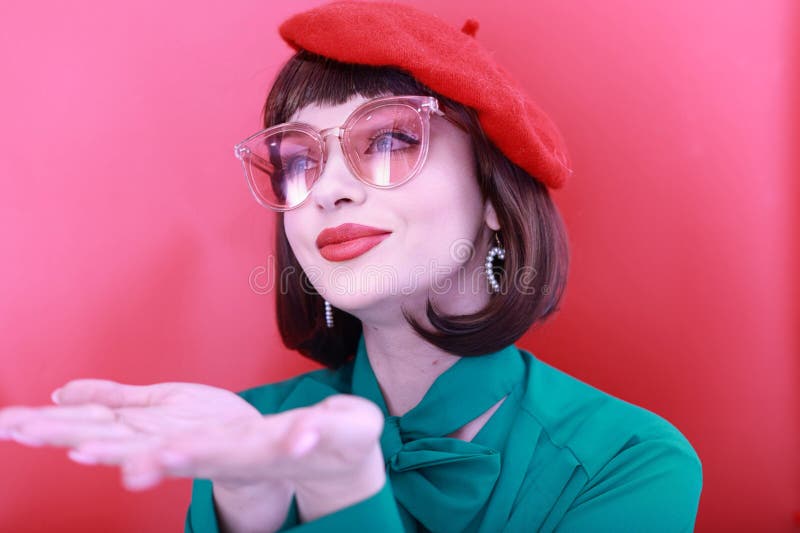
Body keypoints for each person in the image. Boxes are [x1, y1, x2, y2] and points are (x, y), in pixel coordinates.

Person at [0, 1, 703, 532]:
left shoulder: (632, 460)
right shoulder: (246, 433)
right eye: (299, 160)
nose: (328, 188)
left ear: (495, 194)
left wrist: (343, 489)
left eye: (392, 139)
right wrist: (248, 502)